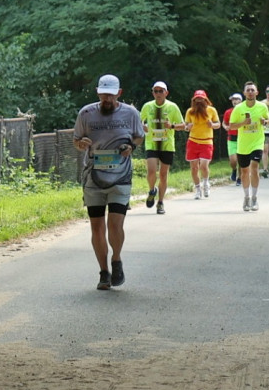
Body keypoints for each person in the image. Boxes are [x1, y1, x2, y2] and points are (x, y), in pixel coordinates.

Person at [73, 75, 144, 289]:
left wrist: (131, 146)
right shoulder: (86, 113)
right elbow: (76, 141)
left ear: (119, 93)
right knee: (96, 226)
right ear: (98, 92)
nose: (107, 99)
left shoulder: (131, 113)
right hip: (93, 178)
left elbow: (139, 136)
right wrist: (81, 143)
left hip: (121, 177)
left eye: (111, 95)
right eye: (104, 94)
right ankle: (104, 272)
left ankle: (117, 259)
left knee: (115, 223)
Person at [140, 81, 184, 214]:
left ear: (166, 93)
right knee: (151, 171)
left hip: (167, 145)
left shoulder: (172, 107)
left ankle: (160, 202)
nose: (158, 94)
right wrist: (143, 127)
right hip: (151, 143)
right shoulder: (147, 106)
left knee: (163, 175)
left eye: (161, 91)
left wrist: (171, 126)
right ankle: (152, 189)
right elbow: (138, 122)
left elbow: (183, 125)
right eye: (155, 91)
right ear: (152, 93)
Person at [228, 81, 269, 211]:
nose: (250, 92)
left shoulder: (262, 107)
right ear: (244, 92)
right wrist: (243, 123)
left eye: (253, 90)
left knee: (254, 167)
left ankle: (255, 198)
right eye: (248, 90)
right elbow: (231, 126)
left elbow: (268, 121)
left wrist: (264, 121)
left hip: (257, 142)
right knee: (245, 171)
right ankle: (246, 197)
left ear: (257, 92)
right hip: (243, 145)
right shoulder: (238, 108)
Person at [182, 90, 221, 198]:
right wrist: (187, 127)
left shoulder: (211, 110)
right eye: (197, 99)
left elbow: (218, 124)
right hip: (193, 141)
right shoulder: (190, 111)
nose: (199, 101)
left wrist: (212, 124)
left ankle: (206, 183)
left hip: (207, 141)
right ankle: (198, 189)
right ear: (194, 100)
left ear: (205, 100)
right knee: (194, 168)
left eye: (201, 99)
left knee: (204, 166)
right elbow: (185, 126)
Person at [223, 93, 243, 186]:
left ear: (241, 101)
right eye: (233, 100)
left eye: (236, 99)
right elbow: (224, 123)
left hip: (242, 138)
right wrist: (226, 127)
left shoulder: (244, 111)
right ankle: (234, 170)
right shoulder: (228, 112)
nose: (234, 101)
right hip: (231, 138)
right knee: (233, 160)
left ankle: (240, 178)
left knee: (241, 160)